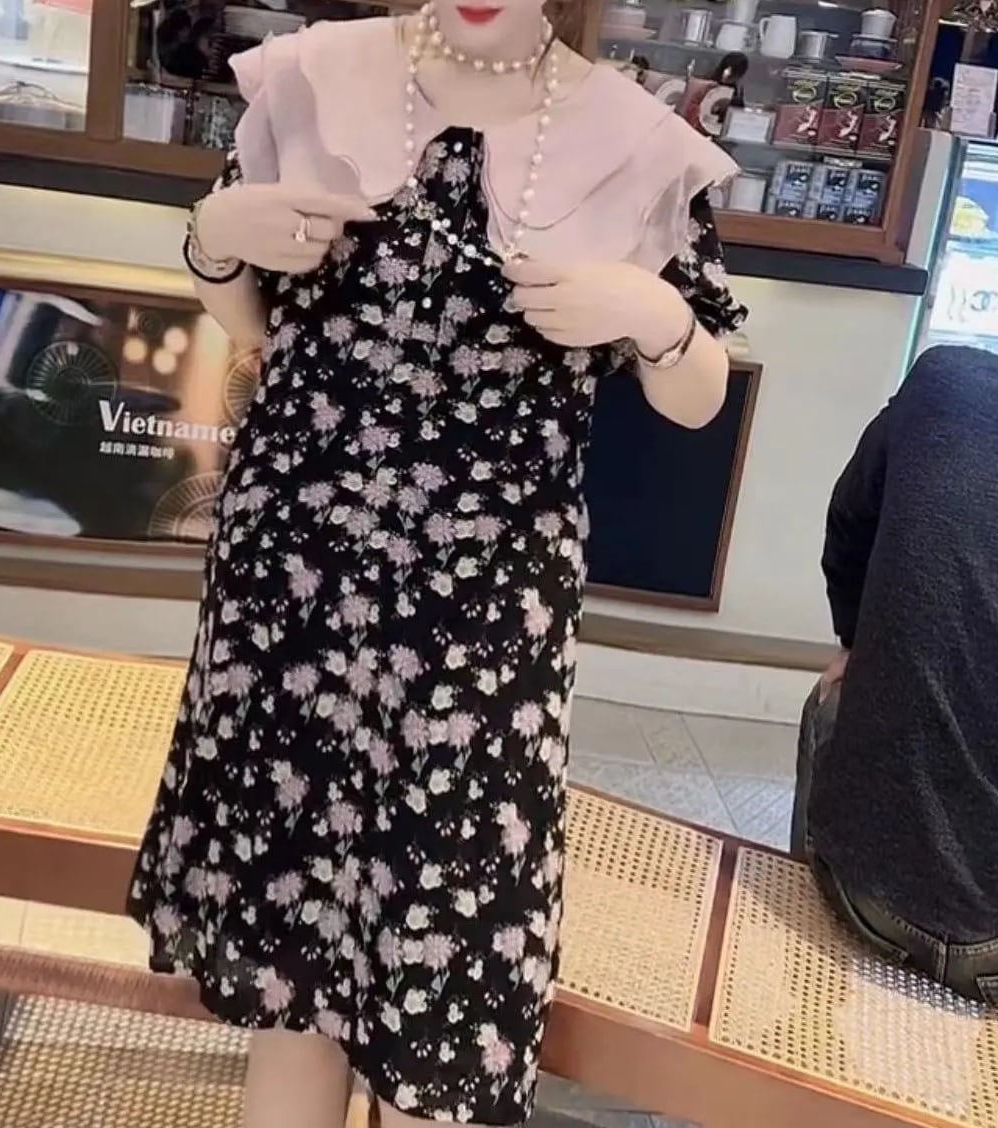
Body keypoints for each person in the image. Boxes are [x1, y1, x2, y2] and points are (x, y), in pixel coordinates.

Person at [127, 3, 748, 1126]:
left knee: (448, 966)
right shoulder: (315, 77)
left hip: (483, 609)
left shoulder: (630, 135)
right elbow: (248, 317)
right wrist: (217, 236)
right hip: (295, 573)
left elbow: (698, 396)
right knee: (290, 971)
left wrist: (654, 314)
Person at [792, 345, 998, 1008]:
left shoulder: (941, 379)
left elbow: (848, 520)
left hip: (863, 898)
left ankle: (804, 972)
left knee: (827, 703)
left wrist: (854, 642)